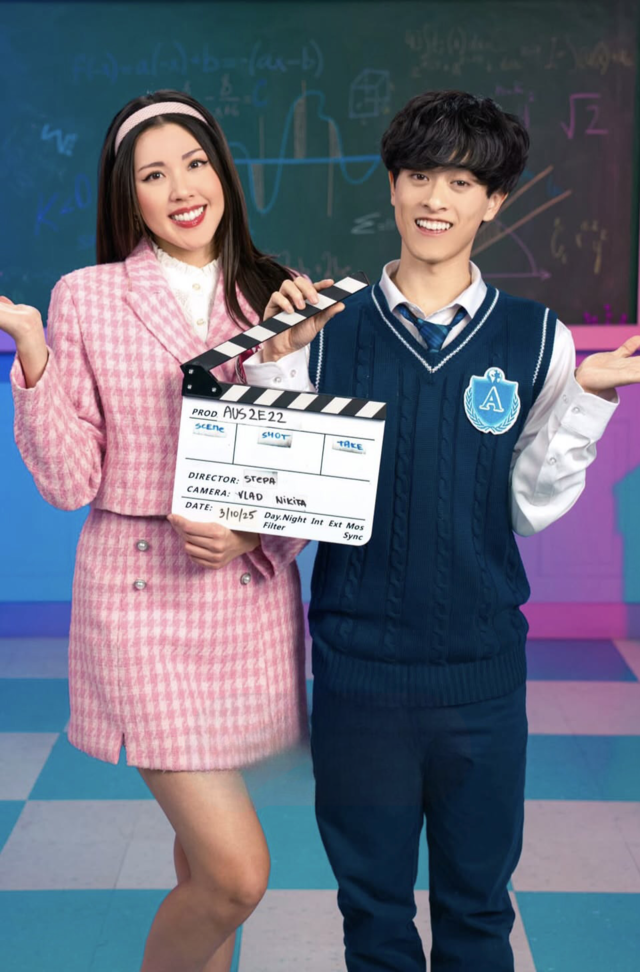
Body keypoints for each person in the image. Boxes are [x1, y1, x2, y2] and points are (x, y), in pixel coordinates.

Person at [253, 90, 640, 971]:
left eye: (462, 182)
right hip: (359, 675)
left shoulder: (538, 340)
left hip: (482, 678)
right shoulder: (322, 329)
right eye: (420, 175)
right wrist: (275, 366)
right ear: (392, 185)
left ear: (494, 201)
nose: (436, 199)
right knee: (374, 916)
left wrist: (588, 399)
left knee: (477, 914)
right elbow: (282, 507)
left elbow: (526, 506)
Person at [0, 89, 340, 972]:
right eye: (154, 175)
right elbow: (70, 482)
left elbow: (306, 470)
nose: (182, 188)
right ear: (129, 195)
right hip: (140, 596)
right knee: (235, 875)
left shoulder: (277, 291)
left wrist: (254, 536)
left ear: (223, 172)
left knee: (199, 864)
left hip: (246, 610)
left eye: (195, 163)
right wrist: (32, 351)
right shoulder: (85, 297)